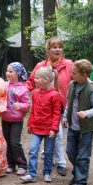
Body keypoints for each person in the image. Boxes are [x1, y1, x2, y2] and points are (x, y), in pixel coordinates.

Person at [26, 36, 72, 177]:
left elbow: (77, 76)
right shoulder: (41, 66)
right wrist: (18, 91)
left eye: (60, 47)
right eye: (54, 47)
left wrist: (90, 82)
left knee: (57, 135)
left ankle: (61, 163)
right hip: (44, 105)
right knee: (54, 136)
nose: (58, 49)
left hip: (61, 104)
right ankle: (50, 161)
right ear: (48, 49)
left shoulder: (68, 64)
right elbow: (31, 82)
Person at [63, 59, 93, 185]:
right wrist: (64, 117)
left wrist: (87, 113)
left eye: (74, 73)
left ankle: (81, 181)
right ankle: (78, 172)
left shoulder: (91, 89)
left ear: (84, 74)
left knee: (83, 156)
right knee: (70, 152)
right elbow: (68, 103)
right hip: (73, 127)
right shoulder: (71, 85)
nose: (71, 75)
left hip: (86, 129)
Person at [21, 67, 62, 183]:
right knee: (33, 150)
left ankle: (47, 173)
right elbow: (33, 110)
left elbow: (56, 113)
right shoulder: (35, 93)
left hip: (49, 129)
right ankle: (31, 174)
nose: (35, 79)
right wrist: (30, 124)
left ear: (46, 80)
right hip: (36, 128)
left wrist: (54, 129)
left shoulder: (55, 95)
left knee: (48, 152)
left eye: (37, 78)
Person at [1, 62, 30, 176]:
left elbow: (27, 104)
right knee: (7, 143)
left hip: (16, 120)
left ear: (18, 73)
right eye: (7, 71)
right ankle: (11, 164)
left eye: (10, 71)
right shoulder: (4, 85)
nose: (7, 73)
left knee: (14, 143)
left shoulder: (23, 88)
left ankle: (22, 165)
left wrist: (21, 106)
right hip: (5, 118)